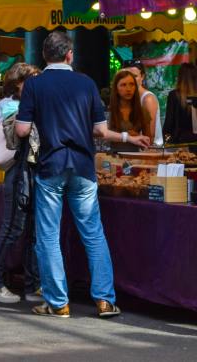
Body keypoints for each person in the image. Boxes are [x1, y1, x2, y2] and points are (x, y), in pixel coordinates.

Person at [15, 32, 150, 319]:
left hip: (51, 165)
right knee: (93, 233)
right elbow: (100, 131)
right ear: (69, 55)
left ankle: (58, 302)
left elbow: (22, 130)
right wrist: (127, 135)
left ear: (44, 56)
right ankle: (104, 301)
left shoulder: (34, 85)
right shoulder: (86, 83)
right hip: (83, 166)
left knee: (48, 236)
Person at [0, 62, 42, 304]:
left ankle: (32, 284)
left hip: (28, 171)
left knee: (31, 230)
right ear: (19, 83)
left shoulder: (12, 104)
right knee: (13, 228)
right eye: (33, 80)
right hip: (19, 171)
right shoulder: (10, 105)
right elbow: (19, 133)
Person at [107, 69, 148, 153]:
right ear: (116, 88)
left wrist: (137, 136)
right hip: (113, 158)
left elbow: (148, 141)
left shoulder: (142, 111)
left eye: (132, 84)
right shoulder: (108, 112)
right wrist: (128, 137)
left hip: (135, 158)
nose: (128, 89)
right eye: (123, 85)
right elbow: (102, 137)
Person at [125, 62, 162, 147]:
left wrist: (124, 133)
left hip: (150, 153)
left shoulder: (147, 99)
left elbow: (149, 138)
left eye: (135, 76)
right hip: (133, 151)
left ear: (142, 77)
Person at [163, 62, 197, 145]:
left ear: (180, 77)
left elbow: (169, 123)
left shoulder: (174, 95)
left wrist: (166, 138)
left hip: (179, 143)